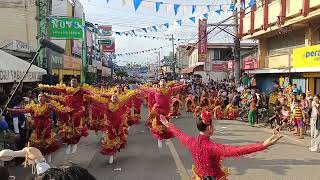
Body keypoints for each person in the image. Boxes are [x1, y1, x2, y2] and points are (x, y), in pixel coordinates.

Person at [159, 112, 282, 180]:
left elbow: (179, 133)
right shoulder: (211, 147)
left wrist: (167, 124)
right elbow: (237, 150)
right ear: (210, 127)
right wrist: (263, 145)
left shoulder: (191, 141)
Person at [7, 93, 60, 163]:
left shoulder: (49, 106)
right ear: (37, 98)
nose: (40, 98)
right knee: (37, 145)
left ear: (45, 98)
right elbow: (24, 110)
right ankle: (40, 161)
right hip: (37, 128)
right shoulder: (34, 107)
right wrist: (12, 110)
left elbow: (58, 110)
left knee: (47, 145)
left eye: (42, 96)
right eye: (39, 96)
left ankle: (48, 162)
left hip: (46, 127)